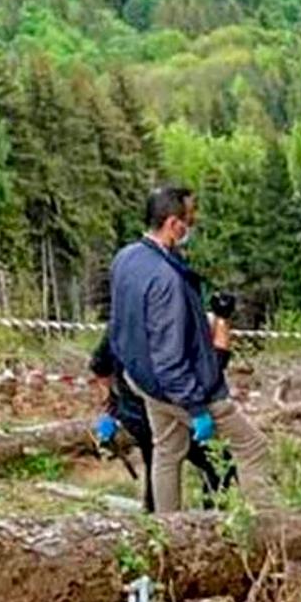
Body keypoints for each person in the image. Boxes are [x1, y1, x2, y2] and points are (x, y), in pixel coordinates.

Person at [106, 185, 271, 512]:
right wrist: (197, 408)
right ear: (172, 224)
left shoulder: (127, 257)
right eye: (189, 220)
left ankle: (168, 533)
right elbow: (170, 355)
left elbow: (125, 325)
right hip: (179, 387)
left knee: (167, 452)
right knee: (253, 446)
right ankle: (270, 528)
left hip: (145, 381)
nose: (191, 227)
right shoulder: (166, 280)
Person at [89, 332, 234, 513]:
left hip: (136, 414)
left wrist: (114, 402)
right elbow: (214, 364)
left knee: (156, 462)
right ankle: (213, 521)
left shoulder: (124, 317)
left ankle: (155, 517)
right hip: (167, 407)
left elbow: (99, 364)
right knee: (219, 461)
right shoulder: (170, 319)